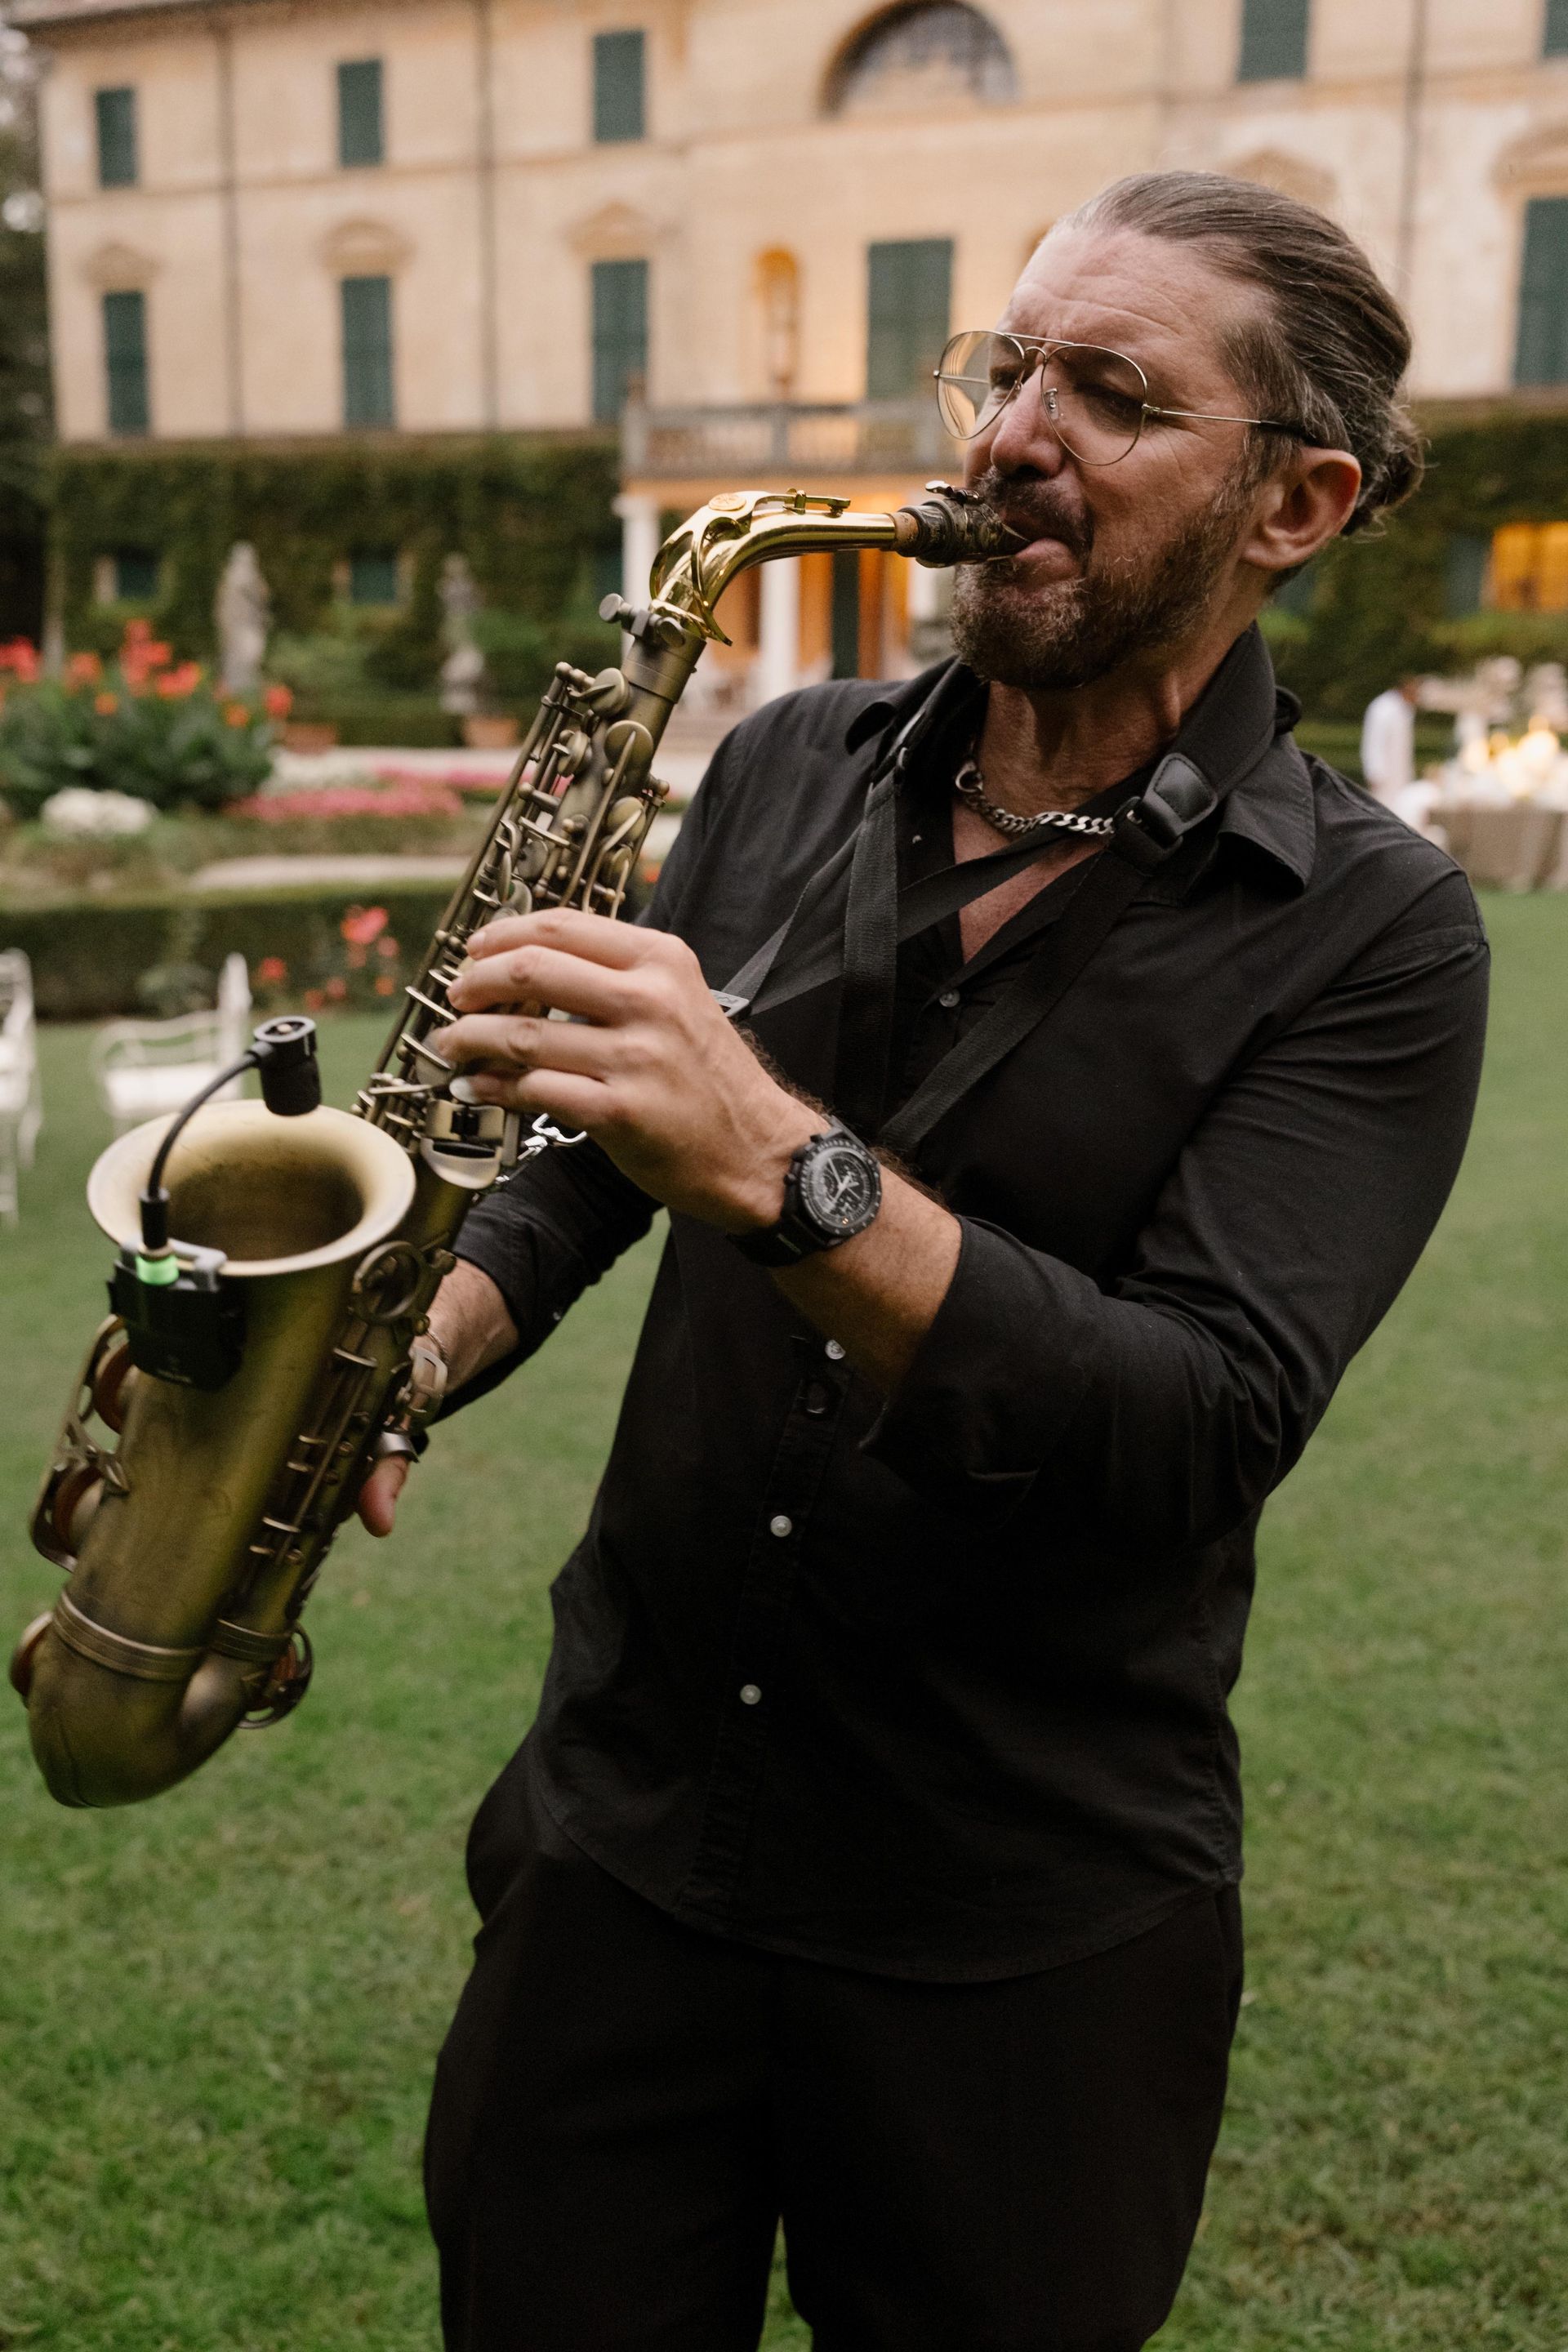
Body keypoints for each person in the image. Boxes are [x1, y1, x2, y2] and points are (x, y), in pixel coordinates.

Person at [361, 172, 1489, 2352]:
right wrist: (412, 1346)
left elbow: (1193, 1424)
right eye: (1008, 365)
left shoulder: (1378, 935)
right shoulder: (790, 760)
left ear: (1295, 503)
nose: (1010, 433)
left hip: (1017, 1935)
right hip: (624, 1847)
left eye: (1112, 393)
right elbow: (597, 1156)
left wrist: (788, 1171)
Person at [1360, 673, 1420, 805]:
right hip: (1384, 775)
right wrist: (1375, 771)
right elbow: (1374, 742)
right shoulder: (1383, 707)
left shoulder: (1404, 708)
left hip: (1399, 772)